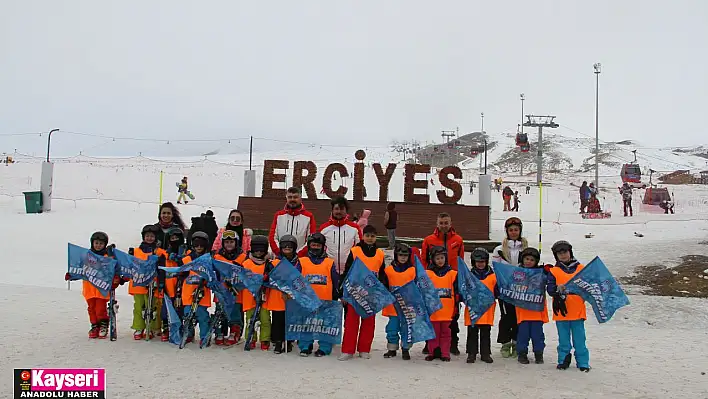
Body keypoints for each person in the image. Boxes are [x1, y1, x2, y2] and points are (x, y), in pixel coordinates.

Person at [338, 225, 387, 361]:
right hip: (355, 293)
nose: (370, 238)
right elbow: (346, 272)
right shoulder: (355, 251)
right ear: (363, 236)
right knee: (351, 323)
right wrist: (343, 292)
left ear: (375, 237)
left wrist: (382, 291)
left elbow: (382, 275)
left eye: (372, 236)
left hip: (370, 295)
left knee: (369, 323)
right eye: (367, 235)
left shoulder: (380, 254)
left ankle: (364, 349)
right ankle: (347, 350)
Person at [65, 232, 121, 339]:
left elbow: (114, 268)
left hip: (101, 288)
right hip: (89, 288)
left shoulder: (107, 257)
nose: (98, 245)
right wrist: (71, 275)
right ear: (92, 243)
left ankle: (103, 325)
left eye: (101, 243)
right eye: (96, 243)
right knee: (91, 308)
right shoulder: (87, 256)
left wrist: (116, 278)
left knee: (100, 308)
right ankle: (94, 325)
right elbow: (80, 270)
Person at [547, 240, 591, 372]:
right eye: (559, 253)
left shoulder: (581, 268)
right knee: (564, 339)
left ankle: (583, 362)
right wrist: (556, 289)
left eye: (565, 252)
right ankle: (563, 360)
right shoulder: (554, 271)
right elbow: (550, 290)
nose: (563, 255)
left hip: (577, 311)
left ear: (570, 252)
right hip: (561, 311)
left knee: (579, 339)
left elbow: (589, 286)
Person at [298, 233, 340, 357]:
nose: (315, 247)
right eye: (313, 245)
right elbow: (296, 280)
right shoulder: (302, 261)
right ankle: (305, 346)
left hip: (325, 299)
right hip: (307, 299)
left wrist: (335, 295)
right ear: (309, 246)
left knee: (325, 324)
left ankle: (325, 347)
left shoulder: (329, 262)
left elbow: (335, 279)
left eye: (318, 245)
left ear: (323, 247)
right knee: (306, 323)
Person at [492, 217, 528, 358]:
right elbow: (496, 269)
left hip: (521, 288)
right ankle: (505, 342)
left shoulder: (525, 248)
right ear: (507, 231)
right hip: (505, 288)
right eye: (511, 230)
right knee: (507, 316)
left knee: (519, 316)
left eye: (516, 230)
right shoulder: (499, 249)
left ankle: (516, 341)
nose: (513, 232)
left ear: (520, 231)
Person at [128, 225, 167, 340]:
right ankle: (139, 327)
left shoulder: (159, 252)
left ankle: (153, 327)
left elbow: (162, 268)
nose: (149, 238)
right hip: (139, 284)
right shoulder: (136, 251)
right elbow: (129, 265)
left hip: (153, 284)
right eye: (147, 236)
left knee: (154, 306)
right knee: (139, 306)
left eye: (152, 236)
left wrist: (161, 283)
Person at [379, 243, 415, 361]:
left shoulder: (413, 271)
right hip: (393, 306)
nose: (403, 257)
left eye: (405, 255)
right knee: (392, 328)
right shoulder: (388, 270)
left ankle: (406, 349)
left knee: (406, 329)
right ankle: (392, 348)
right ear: (396, 255)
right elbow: (383, 285)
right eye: (400, 255)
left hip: (407, 307)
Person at [213, 230, 247, 346]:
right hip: (222, 291)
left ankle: (235, 331)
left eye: (231, 242)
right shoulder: (217, 257)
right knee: (221, 311)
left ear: (236, 243)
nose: (229, 244)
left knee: (235, 312)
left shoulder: (243, 257)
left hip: (236, 291)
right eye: (226, 242)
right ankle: (220, 332)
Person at [425, 246, 458, 362]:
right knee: (433, 333)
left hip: (447, 311)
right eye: (437, 258)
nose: (440, 260)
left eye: (442, 258)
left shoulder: (453, 274)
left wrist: (457, 306)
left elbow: (457, 290)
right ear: (432, 259)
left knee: (446, 333)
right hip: (433, 311)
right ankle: (432, 352)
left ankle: (445, 353)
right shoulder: (427, 274)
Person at [266, 234, 299, 354]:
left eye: (290, 247)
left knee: (290, 320)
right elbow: (268, 278)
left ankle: (289, 341)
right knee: (278, 321)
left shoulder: (297, 263)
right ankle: (278, 342)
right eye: (284, 246)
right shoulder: (274, 263)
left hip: (291, 297)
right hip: (277, 296)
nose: (287, 248)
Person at [515, 247, 548, 365]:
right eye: (527, 259)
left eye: (532, 260)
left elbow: (549, 280)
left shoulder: (541, 273)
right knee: (523, 335)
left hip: (537, 311)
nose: (528, 262)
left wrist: (548, 271)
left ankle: (539, 353)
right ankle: (522, 354)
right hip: (523, 311)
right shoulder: (517, 273)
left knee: (537, 335)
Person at [241, 235, 273, 350]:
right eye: (256, 249)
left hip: (264, 295)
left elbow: (273, 278)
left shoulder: (268, 264)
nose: (259, 252)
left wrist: (267, 278)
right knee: (250, 319)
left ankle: (265, 339)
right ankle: (251, 338)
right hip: (250, 295)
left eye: (261, 250)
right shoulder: (246, 263)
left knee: (265, 318)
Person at [179, 231, 212, 344]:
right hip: (188, 291)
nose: (199, 247)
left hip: (202, 291)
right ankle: (188, 333)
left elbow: (212, 274)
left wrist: (208, 281)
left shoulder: (208, 259)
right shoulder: (186, 259)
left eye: (201, 244)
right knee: (188, 314)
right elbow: (181, 274)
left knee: (202, 315)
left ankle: (204, 336)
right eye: (196, 244)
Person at [465, 248, 497, 364]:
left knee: (485, 333)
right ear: (473, 262)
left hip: (487, 310)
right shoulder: (468, 275)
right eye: (478, 262)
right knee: (472, 333)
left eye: (483, 262)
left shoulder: (493, 276)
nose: (480, 264)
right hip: (473, 310)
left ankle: (485, 353)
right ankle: (471, 353)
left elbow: (497, 290)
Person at [268, 187, 317, 257]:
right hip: (280, 257)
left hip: (300, 259)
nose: (292, 199)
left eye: (295, 197)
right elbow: (272, 237)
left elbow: (310, 240)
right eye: (290, 197)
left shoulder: (308, 216)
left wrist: (298, 254)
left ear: (300, 198)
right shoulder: (279, 215)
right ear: (286, 198)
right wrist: (279, 252)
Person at [320, 196, 362, 276]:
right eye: (336, 209)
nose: (339, 211)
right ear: (332, 210)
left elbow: (360, 249)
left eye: (342, 209)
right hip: (329, 270)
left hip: (349, 271)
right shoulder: (324, 228)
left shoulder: (354, 228)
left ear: (346, 211)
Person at [159, 227, 187, 341]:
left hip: (181, 286)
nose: (174, 240)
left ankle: (180, 327)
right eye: (172, 238)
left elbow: (188, 267)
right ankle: (166, 327)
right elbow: (160, 270)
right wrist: (161, 283)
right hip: (168, 285)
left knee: (179, 308)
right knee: (165, 310)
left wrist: (179, 259)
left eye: (177, 238)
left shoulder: (186, 253)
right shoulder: (164, 255)